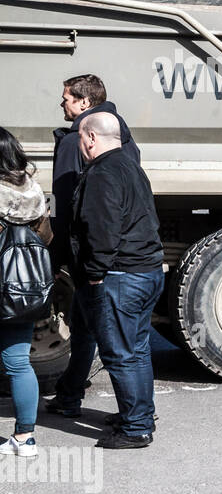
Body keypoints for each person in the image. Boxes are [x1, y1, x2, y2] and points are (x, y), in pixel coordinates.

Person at [47, 74, 142, 420]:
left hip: (88, 254)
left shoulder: (77, 141)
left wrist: (59, 256)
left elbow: (68, 204)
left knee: (108, 338)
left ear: (85, 103)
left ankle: (135, 413)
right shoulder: (122, 137)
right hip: (118, 250)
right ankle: (71, 394)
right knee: (92, 327)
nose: (62, 103)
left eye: (67, 98)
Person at [69, 112, 165, 449]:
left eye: (80, 139)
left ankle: (136, 428)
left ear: (91, 139)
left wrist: (94, 274)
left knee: (121, 354)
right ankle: (140, 414)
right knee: (137, 350)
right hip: (147, 271)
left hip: (121, 277)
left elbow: (102, 229)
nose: (79, 146)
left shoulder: (102, 173)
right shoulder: (130, 166)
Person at [0, 129, 51, 459]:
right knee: (19, 363)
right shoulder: (33, 192)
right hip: (21, 291)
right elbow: (46, 238)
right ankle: (25, 437)